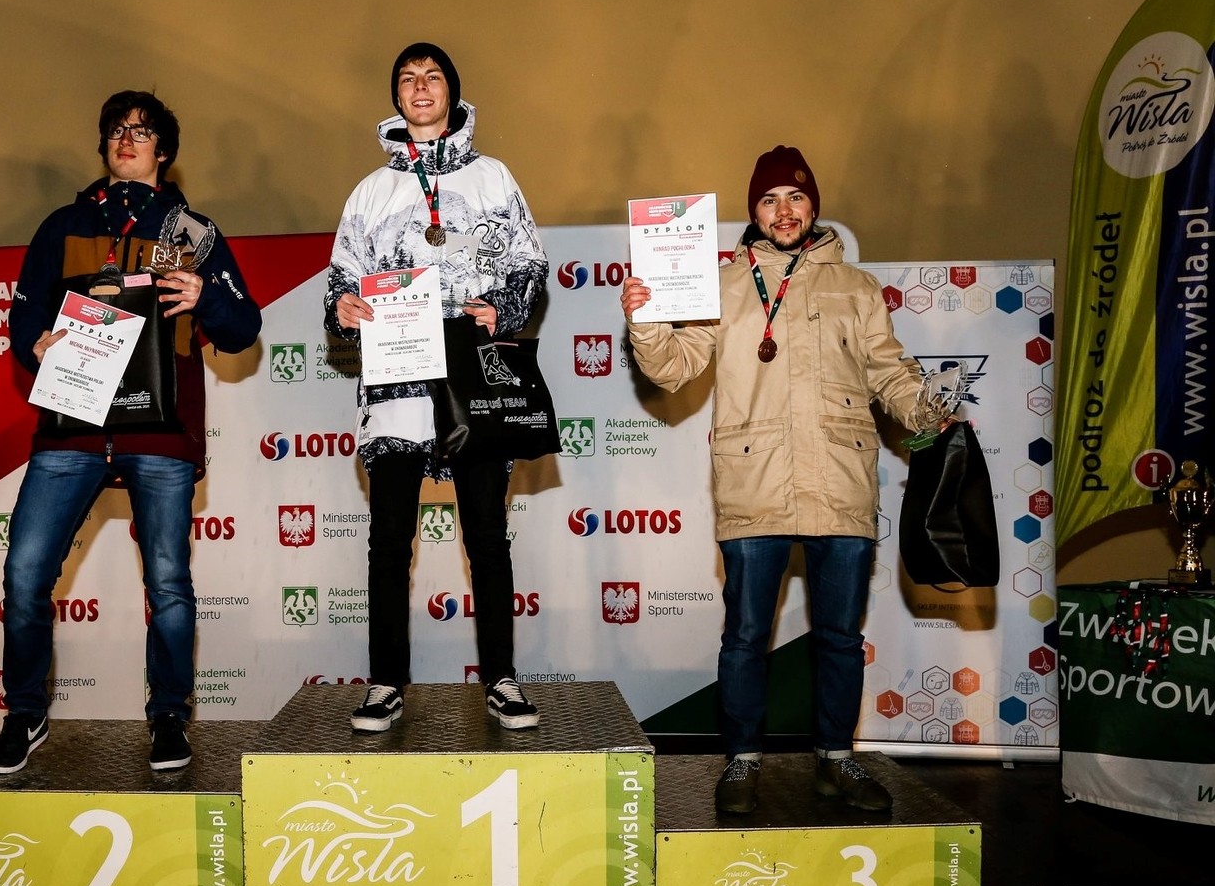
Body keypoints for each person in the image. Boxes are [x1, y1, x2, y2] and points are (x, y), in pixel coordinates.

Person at [620, 145, 952, 815]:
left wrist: (926, 407)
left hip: (840, 478)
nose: (783, 211)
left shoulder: (857, 288)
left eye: (795, 197)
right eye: (769, 200)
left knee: (840, 637)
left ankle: (836, 759)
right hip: (755, 479)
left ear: (813, 205)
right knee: (745, 636)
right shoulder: (721, 284)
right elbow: (676, 367)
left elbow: (888, 371)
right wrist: (646, 319)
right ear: (755, 210)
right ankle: (742, 760)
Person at [0, 89, 261, 775]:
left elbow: (243, 327)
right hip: (73, 424)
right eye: (116, 130)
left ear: (163, 150)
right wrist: (37, 344)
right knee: (24, 574)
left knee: (168, 580)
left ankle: (168, 715)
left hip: (159, 428)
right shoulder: (62, 225)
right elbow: (25, 319)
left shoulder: (192, 232)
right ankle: (24, 713)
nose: (126, 139)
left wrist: (206, 296)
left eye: (140, 131)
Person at [325, 42, 547, 733]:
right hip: (396, 382)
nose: (420, 87)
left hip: (473, 380)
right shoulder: (371, 191)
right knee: (390, 540)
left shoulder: (493, 177)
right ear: (397, 98)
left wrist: (502, 308)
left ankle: (501, 680)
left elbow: (530, 265)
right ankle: (385, 682)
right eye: (407, 79)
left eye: (432, 77)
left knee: (487, 534)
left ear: (452, 91)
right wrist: (342, 309)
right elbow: (341, 280)